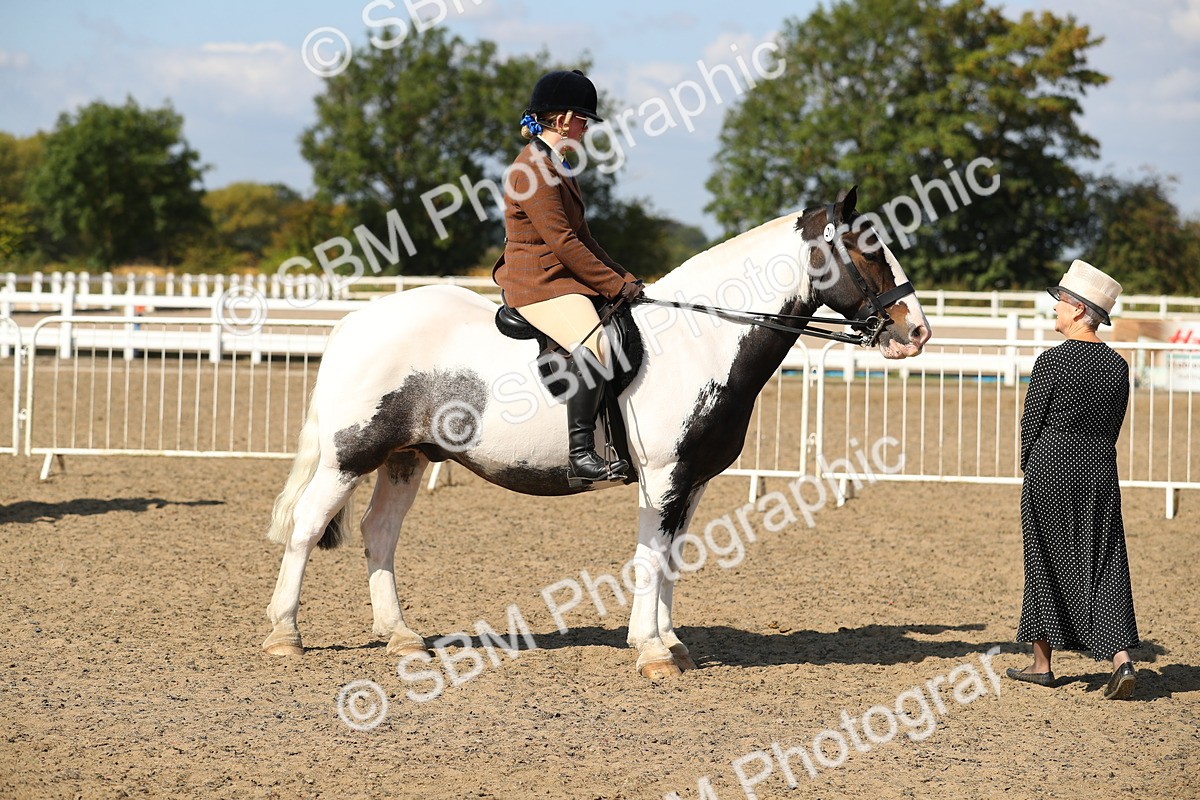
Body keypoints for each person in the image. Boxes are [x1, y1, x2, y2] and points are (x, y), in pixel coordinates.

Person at [492, 69, 643, 488]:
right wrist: (612, 286)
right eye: (582, 119)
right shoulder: (529, 170)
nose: (586, 127)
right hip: (537, 281)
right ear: (560, 119)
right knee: (594, 341)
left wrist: (624, 278)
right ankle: (581, 453)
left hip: (559, 275)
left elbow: (584, 237)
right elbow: (562, 242)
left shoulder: (557, 164)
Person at [1007, 259, 1139, 700]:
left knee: (1043, 559)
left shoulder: (1052, 361)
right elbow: (1113, 424)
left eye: (1061, 301)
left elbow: (1032, 422)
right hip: (1099, 468)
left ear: (1079, 309)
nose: (1055, 308)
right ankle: (1121, 660)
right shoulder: (1117, 366)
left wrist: (1029, 465)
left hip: (1051, 466)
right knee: (1105, 560)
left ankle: (1042, 663)